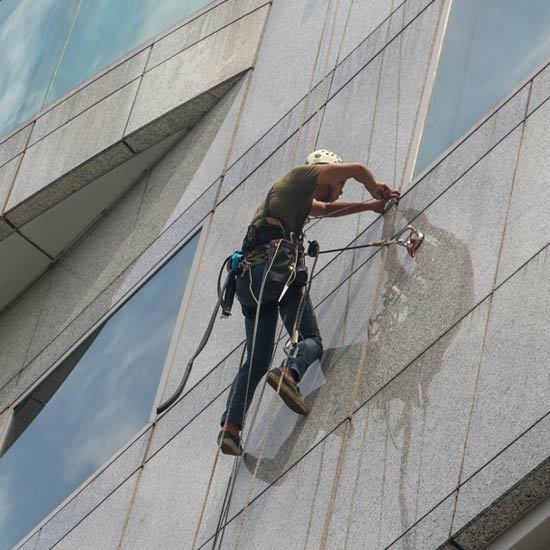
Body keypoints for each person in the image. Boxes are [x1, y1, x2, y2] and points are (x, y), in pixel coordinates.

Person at [217, 150, 400, 456]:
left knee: (257, 360)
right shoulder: (300, 176)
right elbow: (356, 169)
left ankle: (231, 428)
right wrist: (375, 188)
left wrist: (369, 207)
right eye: (338, 183)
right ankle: (289, 373)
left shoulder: (291, 199)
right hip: (275, 271)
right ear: (326, 172)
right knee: (311, 339)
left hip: (249, 281)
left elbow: (326, 208)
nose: (340, 189)